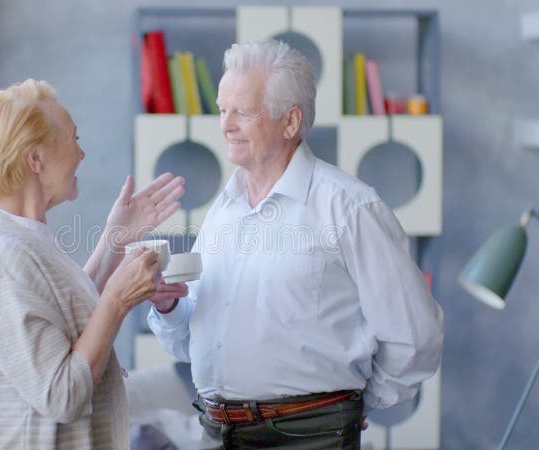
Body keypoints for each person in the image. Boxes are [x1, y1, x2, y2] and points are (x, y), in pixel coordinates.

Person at [148, 40, 444, 449]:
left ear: (290, 122)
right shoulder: (223, 211)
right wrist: (169, 307)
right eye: (222, 109)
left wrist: (350, 406)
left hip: (310, 436)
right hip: (216, 432)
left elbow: (416, 336)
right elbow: (190, 342)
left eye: (243, 112)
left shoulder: (350, 208)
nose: (225, 124)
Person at [0, 79, 187, 449]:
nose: (82, 155)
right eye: (74, 140)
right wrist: (118, 300)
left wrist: (116, 238)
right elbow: (63, 394)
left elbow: (63, 316)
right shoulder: (2, 261)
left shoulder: (11, 231)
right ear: (36, 159)